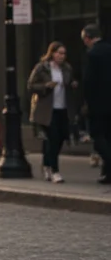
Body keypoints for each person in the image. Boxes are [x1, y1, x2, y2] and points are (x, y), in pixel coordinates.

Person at [27, 41, 77, 183]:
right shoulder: (42, 68)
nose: (62, 56)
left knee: (60, 137)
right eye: (59, 53)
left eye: (64, 53)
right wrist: (45, 86)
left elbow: (69, 81)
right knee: (53, 138)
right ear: (52, 53)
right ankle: (55, 171)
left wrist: (72, 84)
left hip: (63, 108)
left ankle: (47, 164)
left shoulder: (66, 68)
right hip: (47, 109)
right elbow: (30, 86)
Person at [81, 24, 111, 184]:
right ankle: (108, 173)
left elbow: (88, 82)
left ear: (87, 38)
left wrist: (86, 103)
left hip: (98, 105)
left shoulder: (92, 54)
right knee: (109, 137)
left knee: (98, 137)